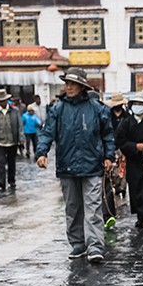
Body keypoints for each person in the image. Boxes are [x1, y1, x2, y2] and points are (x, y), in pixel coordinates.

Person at [36, 67, 117, 264]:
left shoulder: (98, 108)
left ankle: (95, 246)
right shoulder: (58, 109)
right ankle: (77, 243)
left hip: (93, 165)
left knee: (93, 207)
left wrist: (109, 156)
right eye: (67, 83)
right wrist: (42, 152)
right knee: (72, 207)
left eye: (73, 84)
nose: (69, 87)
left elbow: (108, 135)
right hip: (67, 165)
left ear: (82, 86)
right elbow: (47, 133)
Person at [115, 97, 143, 230]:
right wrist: (135, 146)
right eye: (135, 104)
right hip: (133, 161)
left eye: (140, 104)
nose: (138, 106)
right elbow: (120, 141)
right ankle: (141, 217)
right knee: (136, 190)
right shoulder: (126, 122)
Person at [103, 93, 130, 228]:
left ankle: (121, 188)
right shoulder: (107, 116)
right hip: (111, 149)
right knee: (111, 176)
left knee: (122, 173)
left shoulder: (127, 117)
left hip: (123, 149)